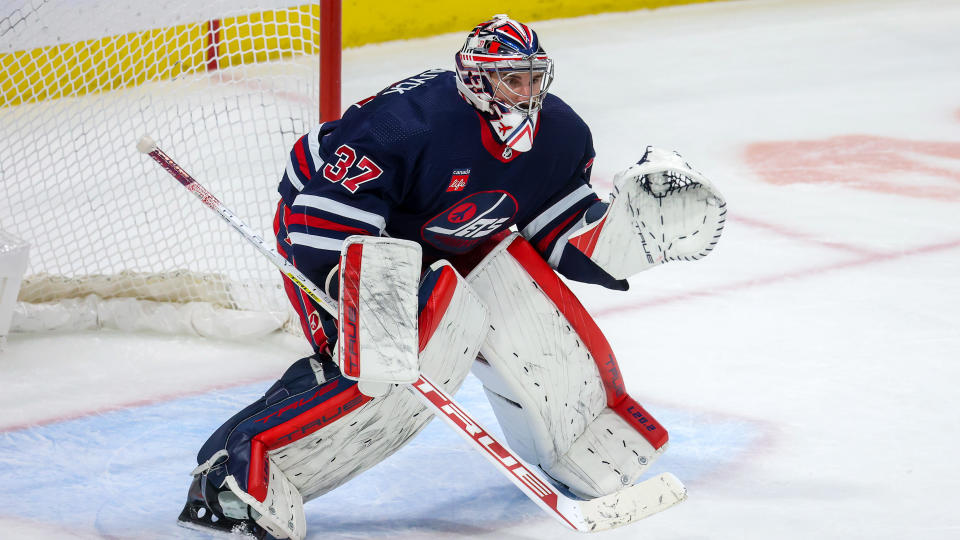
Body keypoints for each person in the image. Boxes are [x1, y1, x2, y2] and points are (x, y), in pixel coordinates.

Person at [177, 14, 725, 539]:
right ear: (476, 78)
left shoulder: (559, 132)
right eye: (512, 80)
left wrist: (629, 240)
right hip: (348, 237)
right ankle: (234, 476)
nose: (527, 92)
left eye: (534, 78)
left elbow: (554, 228)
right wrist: (365, 300)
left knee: (527, 305)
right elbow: (322, 218)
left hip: (452, 237)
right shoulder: (403, 123)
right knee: (381, 368)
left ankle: (579, 440)